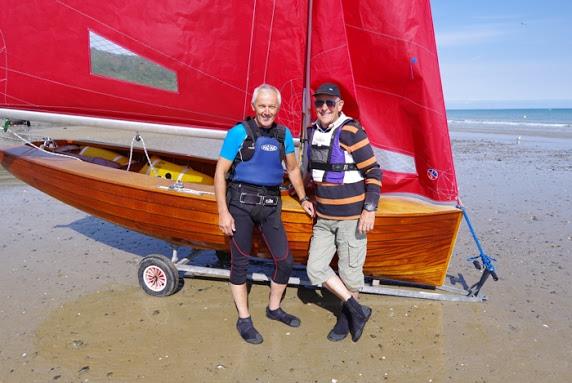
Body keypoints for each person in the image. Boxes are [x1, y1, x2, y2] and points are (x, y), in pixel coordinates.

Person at [214, 83, 315, 344]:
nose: (267, 111)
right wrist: (223, 212)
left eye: (272, 106)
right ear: (254, 106)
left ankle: (273, 308)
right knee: (240, 263)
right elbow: (220, 173)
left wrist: (303, 198)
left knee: (285, 261)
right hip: (241, 205)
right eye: (262, 106)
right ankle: (244, 319)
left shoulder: (283, 135)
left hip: (271, 206)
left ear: (277, 108)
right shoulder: (239, 133)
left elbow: (292, 170)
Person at [305, 82, 382, 342]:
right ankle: (357, 309)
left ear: (340, 105)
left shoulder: (351, 132)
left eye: (329, 102)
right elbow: (310, 173)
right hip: (324, 218)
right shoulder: (311, 132)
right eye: (319, 102)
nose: (324, 107)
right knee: (315, 269)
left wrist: (369, 209)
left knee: (350, 273)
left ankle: (345, 317)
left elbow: (374, 171)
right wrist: (304, 197)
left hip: (351, 219)